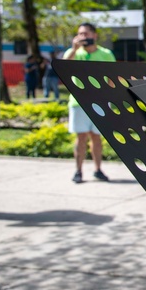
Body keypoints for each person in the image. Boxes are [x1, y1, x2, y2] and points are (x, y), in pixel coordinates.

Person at [63, 22, 115, 183]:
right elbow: (62, 67)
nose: (83, 37)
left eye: (86, 34)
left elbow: (113, 79)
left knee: (96, 137)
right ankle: (78, 171)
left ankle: (98, 169)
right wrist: (73, 48)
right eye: (80, 34)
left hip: (99, 103)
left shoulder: (106, 54)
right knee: (81, 137)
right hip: (78, 103)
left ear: (94, 35)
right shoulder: (74, 53)